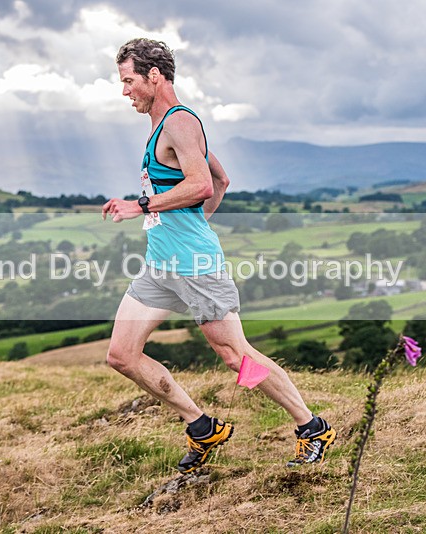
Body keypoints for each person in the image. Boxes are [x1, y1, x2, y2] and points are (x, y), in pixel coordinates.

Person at [102, 38, 335, 474]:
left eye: (129, 80)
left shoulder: (180, 121)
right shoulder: (161, 127)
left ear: (155, 76)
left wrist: (142, 207)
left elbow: (203, 185)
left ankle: (312, 426)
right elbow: (222, 179)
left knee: (236, 357)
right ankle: (202, 426)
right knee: (121, 355)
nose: (124, 90)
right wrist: (190, 223)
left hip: (195, 265)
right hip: (161, 265)